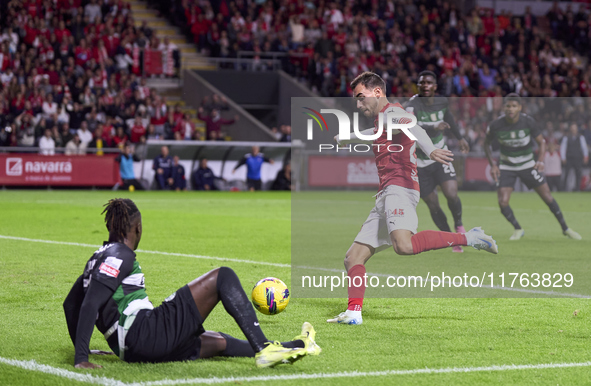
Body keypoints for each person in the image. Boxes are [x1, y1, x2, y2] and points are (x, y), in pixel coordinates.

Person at [63, 199, 320, 369]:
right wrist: (82, 358)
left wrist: (100, 346)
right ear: (137, 228)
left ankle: (292, 346)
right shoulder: (121, 254)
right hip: (144, 333)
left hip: (135, 347)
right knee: (223, 276)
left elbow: (71, 304)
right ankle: (265, 349)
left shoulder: (97, 258)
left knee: (218, 341)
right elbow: (89, 305)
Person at [328, 72, 498, 325]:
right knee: (352, 258)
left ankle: (470, 237)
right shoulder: (382, 120)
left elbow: (412, 124)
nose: (358, 104)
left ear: (377, 92)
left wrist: (430, 149)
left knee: (404, 246)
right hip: (386, 193)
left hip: (401, 188)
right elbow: (377, 133)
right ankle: (353, 313)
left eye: (361, 98)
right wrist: (347, 138)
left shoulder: (393, 112)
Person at [484, 93, 581, 240]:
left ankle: (566, 229)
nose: (511, 109)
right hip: (507, 166)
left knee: (547, 197)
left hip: (527, 165)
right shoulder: (496, 124)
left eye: (514, 106)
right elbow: (486, 144)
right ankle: (518, 229)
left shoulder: (528, 122)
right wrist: (493, 165)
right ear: (504, 107)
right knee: (502, 202)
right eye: (508, 106)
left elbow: (542, 142)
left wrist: (540, 160)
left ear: (520, 108)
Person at [404, 71, 470, 253]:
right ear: (418, 86)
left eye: (429, 83)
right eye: (422, 83)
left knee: (451, 193)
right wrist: (433, 126)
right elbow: (409, 125)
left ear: (435, 86)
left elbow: (449, 118)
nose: (425, 86)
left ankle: (459, 225)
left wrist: (460, 138)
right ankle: (451, 238)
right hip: (420, 163)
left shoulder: (442, 102)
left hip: (441, 155)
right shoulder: (412, 105)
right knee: (433, 204)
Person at [560, 124, 589, 191]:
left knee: (578, 174)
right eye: (572, 128)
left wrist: (586, 156)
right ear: (570, 129)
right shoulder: (566, 137)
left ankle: (577, 189)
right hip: (569, 158)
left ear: (577, 129)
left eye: (574, 128)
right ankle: (564, 189)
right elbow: (563, 148)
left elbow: (584, 148)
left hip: (577, 158)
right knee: (566, 174)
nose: (573, 130)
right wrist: (563, 157)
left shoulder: (581, 137)